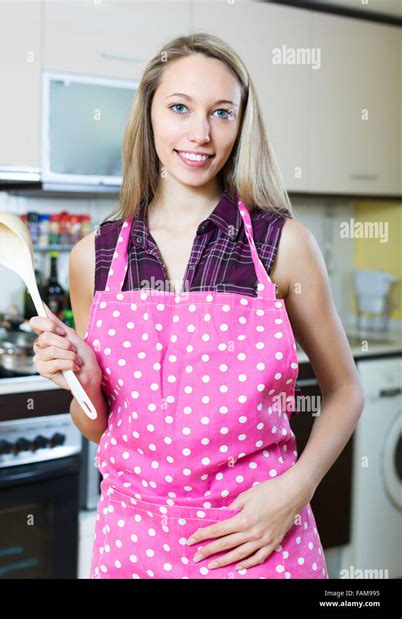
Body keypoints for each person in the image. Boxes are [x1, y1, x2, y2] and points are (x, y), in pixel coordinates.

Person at [30, 33, 365, 579]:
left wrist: (294, 492)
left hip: (257, 540)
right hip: (132, 544)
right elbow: (99, 426)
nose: (201, 134)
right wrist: (83, 384)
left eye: (222, 113)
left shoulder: (283, 246)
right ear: (150, 113)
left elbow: (346, 389)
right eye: (180, 107)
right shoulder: (95, 257)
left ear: (241, 124)